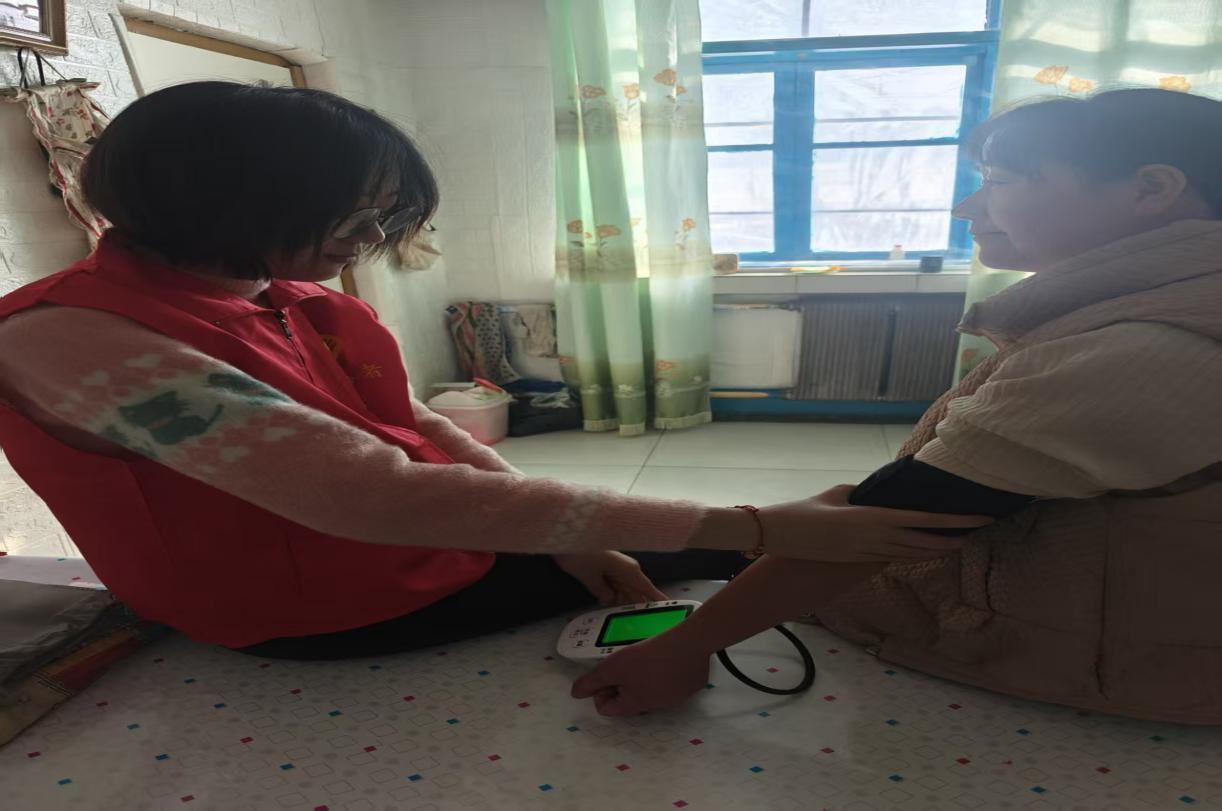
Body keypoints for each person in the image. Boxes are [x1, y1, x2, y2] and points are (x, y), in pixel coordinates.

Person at [0, 82, 985, 661]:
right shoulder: (74, 338)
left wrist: (568, 533)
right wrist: (757, 524)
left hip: (395, 548)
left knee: (682, 548)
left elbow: (418, 431)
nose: (372, 239)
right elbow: (371, 492)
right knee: (735, 554)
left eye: (385, 215)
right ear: (225, 202)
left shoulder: (296, 298)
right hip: (301, 607)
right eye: (358, 215)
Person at [574, 88, 1222, 724]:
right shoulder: (1173, 308)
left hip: (1109, 661)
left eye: (999, 181)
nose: (968, 207)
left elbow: (891, 522)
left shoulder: (1144, 351)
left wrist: (681, 649)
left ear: (1151, 188)